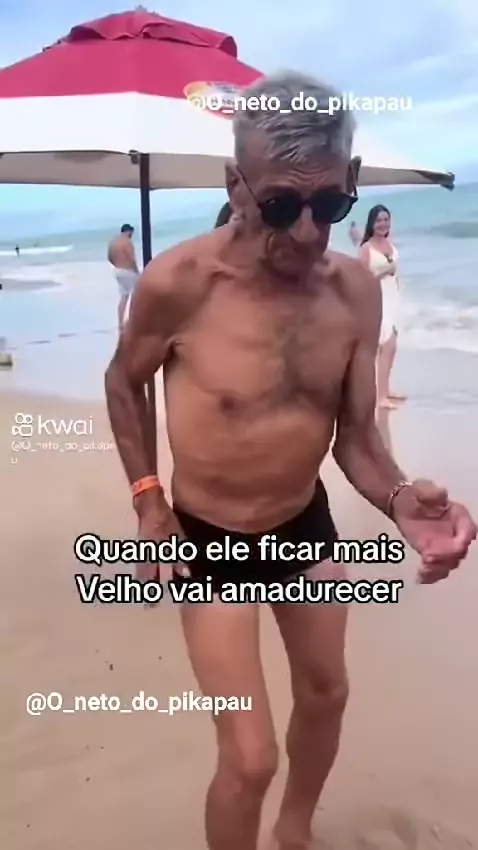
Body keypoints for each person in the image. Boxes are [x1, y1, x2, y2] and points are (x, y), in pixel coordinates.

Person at [104, 71, 476, 850]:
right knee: (248, 758)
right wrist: (148, 498)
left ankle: (295, 833)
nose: (308, 233)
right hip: (208, 539)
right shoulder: (180, 284)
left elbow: (356, 439)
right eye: (280, 206)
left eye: (330, 205)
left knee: (327, 693)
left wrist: (401, 502)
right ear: (235, 186)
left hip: (303, 525)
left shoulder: (353, 293)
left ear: (351, 180)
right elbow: (122, 380)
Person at [358, 205, 405, 409]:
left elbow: (395, 271)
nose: (383, 224)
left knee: (391, 347)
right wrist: (384, 273)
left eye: (386, 219)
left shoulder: (389, 243)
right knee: (387, 345)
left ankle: (386, 389)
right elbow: (362, 280)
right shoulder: (366, 249)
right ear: (371, 223)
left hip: (393, 297)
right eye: (378, 220)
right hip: (377, 298)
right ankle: (381, 397)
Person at [107, 224, 139, 329]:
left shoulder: (113, 242)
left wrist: (117, 264)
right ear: (128, 231)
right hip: (128, 271)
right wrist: (136, 271)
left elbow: (109, 257)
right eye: (131, 233)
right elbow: (131, 258)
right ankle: (133, 320)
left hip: (117, 271)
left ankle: (120, 322)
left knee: (124, 297)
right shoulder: (127, 242)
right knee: (135, 296)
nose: (131, 236)